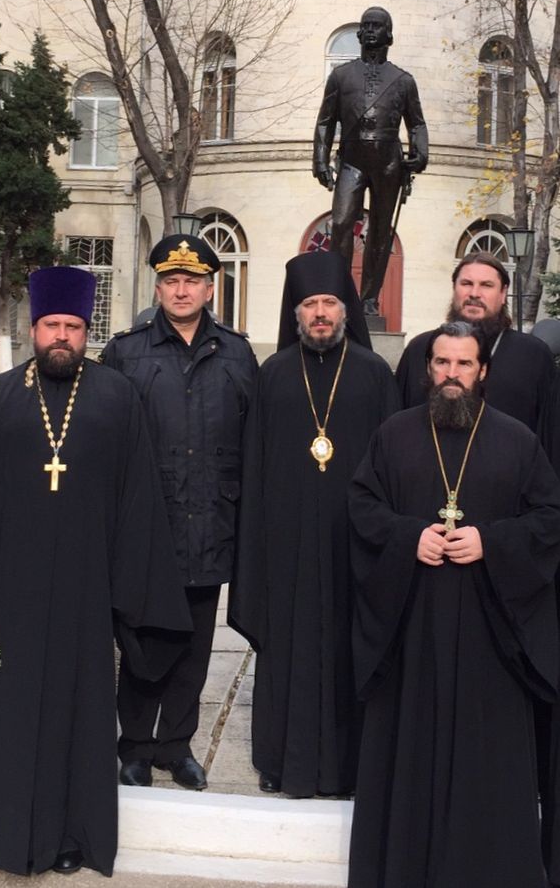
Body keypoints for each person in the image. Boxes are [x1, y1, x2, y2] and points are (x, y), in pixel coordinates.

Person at [0, 266, 191, 877]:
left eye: (72, 326)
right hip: (8, 593)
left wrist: (131, 594)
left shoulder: (116, 397)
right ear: (33, 328)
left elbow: (138, 499)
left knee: (77, 711)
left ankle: (70, 835)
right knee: (2, 707)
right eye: (51, 325)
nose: (61, 336)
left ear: (86, 331)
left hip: (85, 591)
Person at [347, 321, 560, 888]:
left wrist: (492, 542)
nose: (452, 375)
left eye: (464, 364)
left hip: (490, 634)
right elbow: (362, 508)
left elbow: (548, 520)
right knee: (410, 750)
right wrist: (406, 537)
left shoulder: (517, 440)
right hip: (413, 628)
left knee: (484, 758)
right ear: (427, 369)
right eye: (442, 363)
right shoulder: (393, 435)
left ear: (483, 371)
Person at [229, 250, 400, 798]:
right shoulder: (274, 375)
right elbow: (254, 468)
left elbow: (394, 469)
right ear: (295, 313)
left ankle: (352, 765)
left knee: (352, 647)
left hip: (355, 544)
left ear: (345, 308)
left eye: (329, 302)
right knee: (288, 649)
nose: (320, 313)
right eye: (309, 305)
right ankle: (282, 759)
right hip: (286, 546)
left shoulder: (374, 375)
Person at [102, 234, 258, 791]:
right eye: (172, 280)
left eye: (192, 281)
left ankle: (176, 745)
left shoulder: (237, 353)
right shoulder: (126, 352)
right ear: (158, 288)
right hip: (148, 526)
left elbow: (253, 440)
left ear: (211, 288)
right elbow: (106, 439)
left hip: (212, 521)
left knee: (194, 646)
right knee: (143, 642)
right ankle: (135, 746)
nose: (182, 290)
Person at [313, 6, 428, 312]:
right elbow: (325, 122)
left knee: (379, 230)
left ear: (389, 35)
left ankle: (368, 299)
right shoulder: (340, 76)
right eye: (366, 25)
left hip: (388, 164)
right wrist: (320, 161)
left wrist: (421, 153)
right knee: (341, 223)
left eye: (377, 26)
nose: (371, 30)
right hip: (351, 160)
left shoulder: (403, 80)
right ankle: (339, 293)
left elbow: (416, 123)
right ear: (360, 34)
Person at [396, 250, 556, 431]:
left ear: (503, 293)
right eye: (466, 283)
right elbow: (398, 425)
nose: (474, 293)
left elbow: (550, 431)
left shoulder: (534, 355)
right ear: (454, 289)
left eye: (486, 285)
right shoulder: (419, 349)